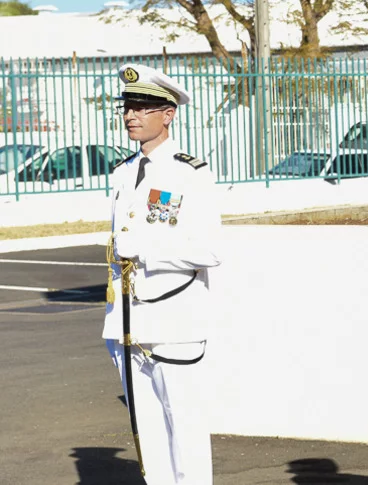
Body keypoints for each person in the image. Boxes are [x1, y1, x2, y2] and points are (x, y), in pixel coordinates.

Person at [104, 63, 222, 484]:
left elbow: (210, 249)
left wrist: (149, 250)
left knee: (184, 427)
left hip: (175, 319)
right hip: (129, 322)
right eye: (127, 107)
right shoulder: (122, 172)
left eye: (142, 107)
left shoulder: (189, 172)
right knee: (148, 431)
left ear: (168, 114)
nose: (131, 115)